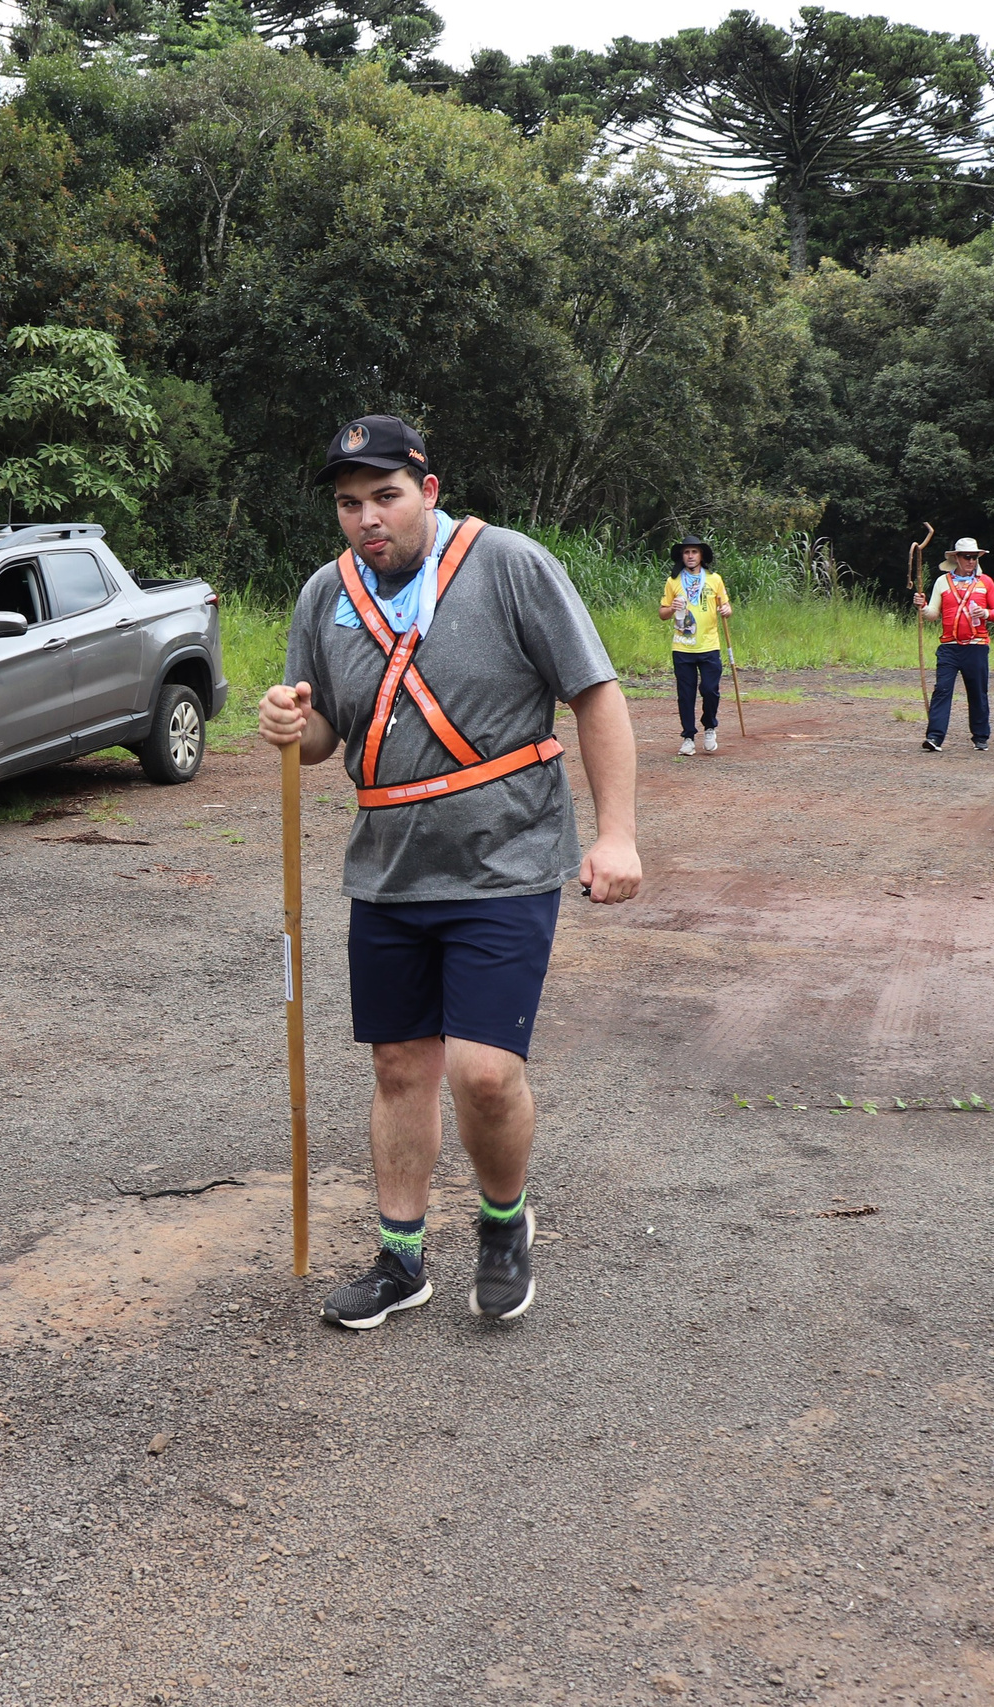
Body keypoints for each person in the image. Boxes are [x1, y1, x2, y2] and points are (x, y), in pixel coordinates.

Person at [259, 415, 644, 1329]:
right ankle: (401, 1260)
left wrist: (617, 833)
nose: (367, 519)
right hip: (389, 872)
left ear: (428, 490)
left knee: (482, 1073)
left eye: (385, 496)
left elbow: (596, 693)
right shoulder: (327, 593)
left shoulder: (509, 563)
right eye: (350, 504)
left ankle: (505, 1224)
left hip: (506, 861)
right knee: (399, 1066)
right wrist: (291, 721)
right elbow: (323, 738)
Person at [920, 537, 994, 752]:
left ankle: (981, 736)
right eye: (967, 557)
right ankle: (934, 737)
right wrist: (922, 607)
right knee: (942, 690)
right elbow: (932, 615)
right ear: (956, 558)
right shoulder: (942, 581)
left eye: (974, 557)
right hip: (949, 646)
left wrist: (984, 612)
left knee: (977, 691)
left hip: (976, 645)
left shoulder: (985, 582)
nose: (971, 561)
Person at [657, 537, 732, 755]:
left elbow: (725, 604)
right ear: (682, 556)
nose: (690, 556)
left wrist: (726, 609)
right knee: (686, 694)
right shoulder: (673, 581)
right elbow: (662, 613)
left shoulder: (714, 579)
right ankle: (688, 737)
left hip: (709, 645)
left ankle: (710, 727)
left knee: (710, 690)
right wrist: (671, 608)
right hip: (682, 646)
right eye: (686, 552)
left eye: (694, 552)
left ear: (701, 556)